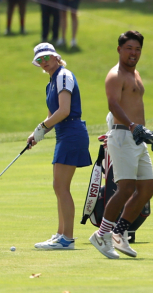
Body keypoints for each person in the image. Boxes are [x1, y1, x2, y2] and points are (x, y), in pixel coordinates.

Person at [89, 31, 153, 259]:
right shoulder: (115, 75)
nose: (133, 53)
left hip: (137, 138)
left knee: (147, 190)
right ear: (119, 49)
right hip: (123, 135)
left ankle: (119, 232)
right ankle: (102, 234)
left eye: (137, 49)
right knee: (126, 187)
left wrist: (144, 131)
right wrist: (132, 125)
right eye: (129, 48)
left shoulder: (135, 75)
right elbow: (113, 105)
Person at [28, 43, 92, 250]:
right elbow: (51, 116)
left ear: (56, 57)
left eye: (46, 57)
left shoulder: (64, 76)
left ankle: (68, 239)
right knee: (59, 186)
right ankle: (60, 234)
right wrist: (37, 133)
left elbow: (64, 111)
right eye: (39, 60)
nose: (43, 62)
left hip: (72, 132)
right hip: (63, 134)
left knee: (61, 186)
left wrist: (42, 127)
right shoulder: (50, 83)